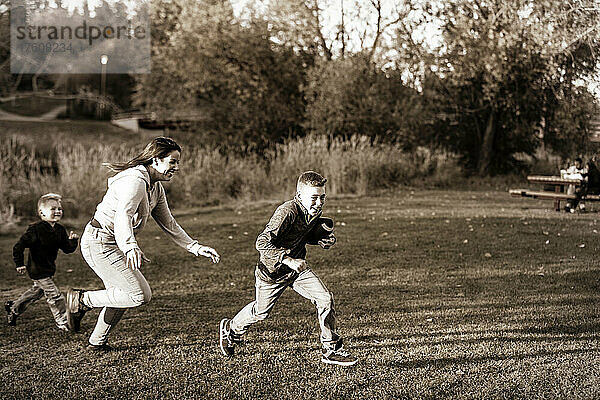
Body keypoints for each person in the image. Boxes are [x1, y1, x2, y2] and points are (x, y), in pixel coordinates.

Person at [66, 137, 220, 351]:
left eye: (178, 162)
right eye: (172, 162)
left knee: (122, 295)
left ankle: (96, 342)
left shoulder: (155, 188)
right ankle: (82, 300)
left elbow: (169, 223)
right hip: (99, 242)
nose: (177, 167)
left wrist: (194, 246)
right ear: (156, 160)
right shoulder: (135, 181)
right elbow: (124, 215)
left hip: (113, 242)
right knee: (137, 294)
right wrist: (130, 246)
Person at [219, 171, 358, 366]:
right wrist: (288, 259)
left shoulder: (313, 212)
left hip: (297, 272)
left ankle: (331, 348)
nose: (319, 203)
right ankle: (231, 328)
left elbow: (301, 235)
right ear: (299, 196)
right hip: (272, 273)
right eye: (314, 198)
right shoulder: (287, 211)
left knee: (325, 298)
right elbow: (262, 242)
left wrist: (321, 240)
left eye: (322, 197)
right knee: (261, 312)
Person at [5, 193, 79, 331]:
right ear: (42, 212)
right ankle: (63, 321)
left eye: (59, 209)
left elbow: (67, 249)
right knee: (55, 296)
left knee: (37, 292)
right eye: (53, 209)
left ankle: (13, 307)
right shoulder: (36, 229)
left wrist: (73, 241)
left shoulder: (59, 229)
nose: (57, 211)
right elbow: (19, 246)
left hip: (48, 268)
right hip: (36, 269)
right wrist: (19, 263)